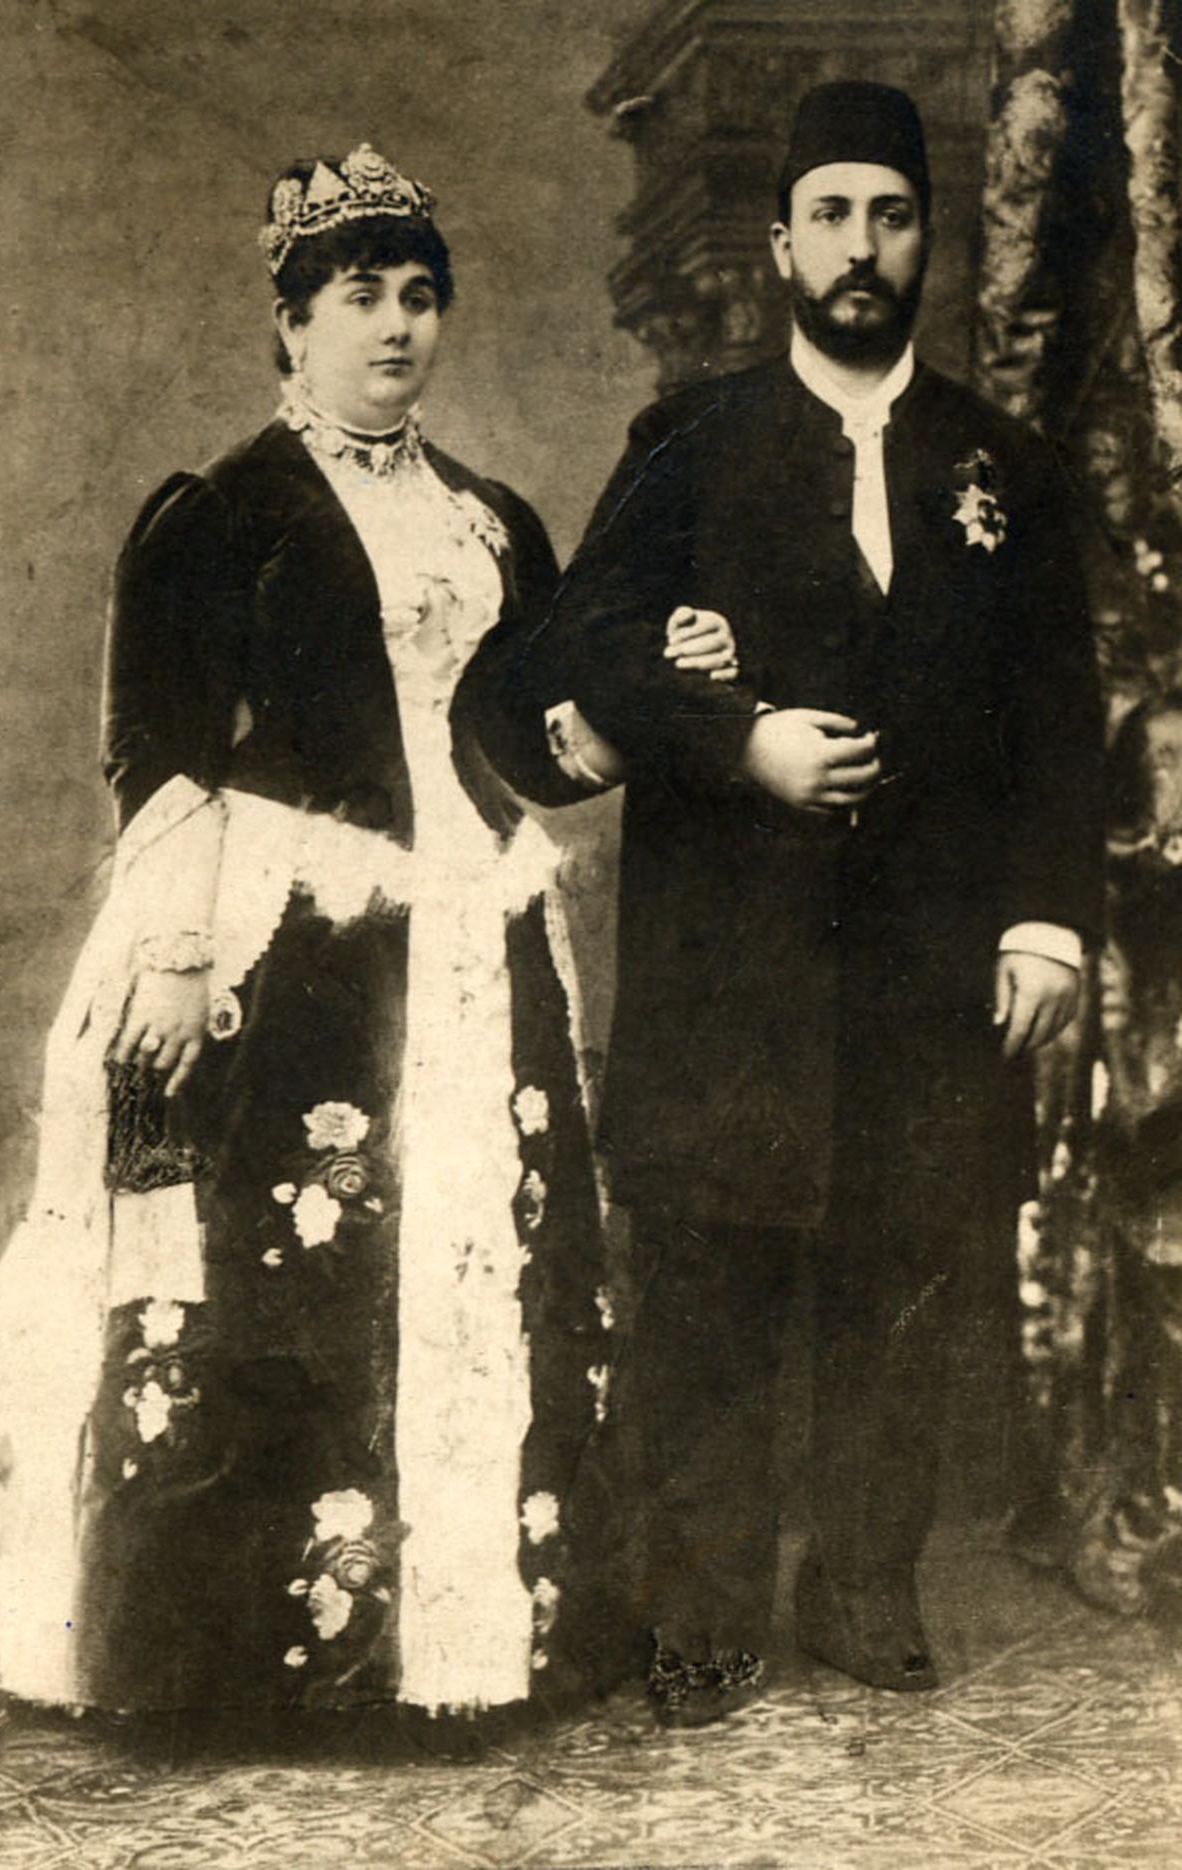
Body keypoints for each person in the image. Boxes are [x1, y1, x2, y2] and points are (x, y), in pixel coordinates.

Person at [0, 143, 741, 1811]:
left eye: (421, 295)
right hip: (297, 959)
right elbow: (158, 752)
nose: (397, 326)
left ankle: (474, 1645)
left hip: (480, 942)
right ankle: (258, 1658)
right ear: (291, 323)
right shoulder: (223, 513)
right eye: (361, 296)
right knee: (295, 1281)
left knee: (488, 1256)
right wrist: (175, 954)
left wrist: (658, 682)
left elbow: (535, 744)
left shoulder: (492, 518)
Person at [529, 82, 1105, 1725]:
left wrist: (1045, 920)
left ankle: (861, 1580)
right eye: (833, 215)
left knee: (902, 1261)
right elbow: (587, 646)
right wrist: (740, 736)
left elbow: (1059, 717)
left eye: (893, 217)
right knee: (710, 1272)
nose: (862, 248)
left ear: (930, 242)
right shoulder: (689, 441)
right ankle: (704, 1604)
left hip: (927, 960)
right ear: (781, 244)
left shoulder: (1004, 466)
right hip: (732, 954)